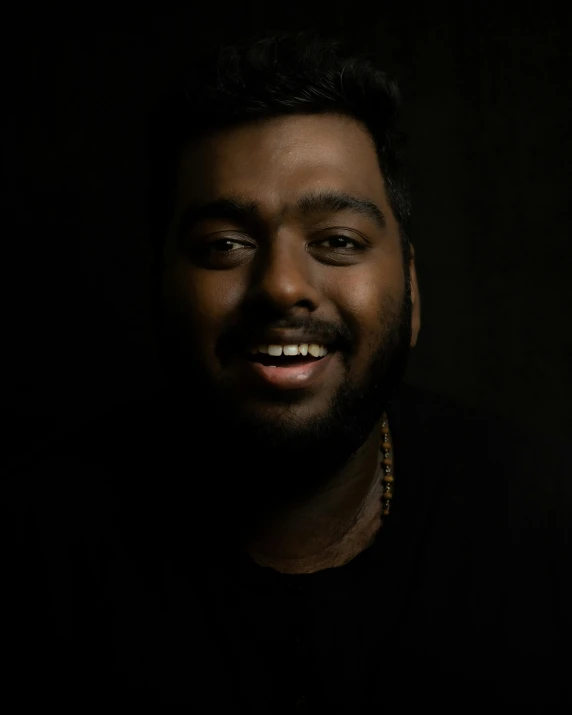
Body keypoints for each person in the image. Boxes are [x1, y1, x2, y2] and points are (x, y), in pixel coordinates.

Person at [4, 30, 571, 712]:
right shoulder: (38, 550)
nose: (280, 286)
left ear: (412, 289)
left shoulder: (540, 521)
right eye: (225, 245)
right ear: (160, 286)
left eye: (336, 240)